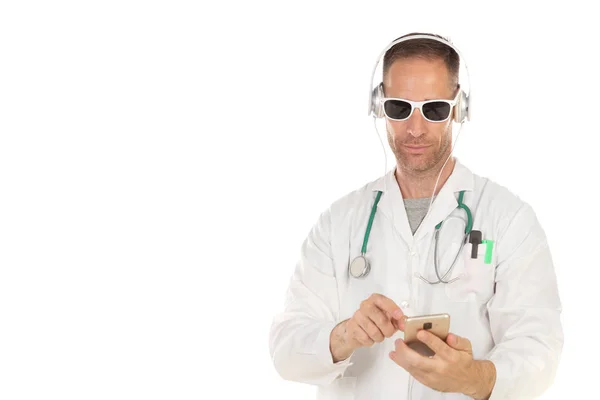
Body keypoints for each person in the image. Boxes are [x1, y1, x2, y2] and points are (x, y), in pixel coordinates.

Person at [268, 32, 563, 400]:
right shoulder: (338, 222)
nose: (416, 128)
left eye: (435, 108)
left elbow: (539, 346)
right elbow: (284, 349)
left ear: (459, 109)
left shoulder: (508, 218)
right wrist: (344, 336)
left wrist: (475, 377)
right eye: (400, 108)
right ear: (379, 107)